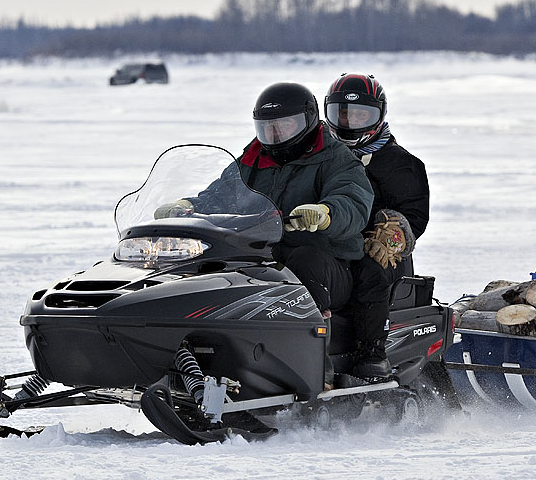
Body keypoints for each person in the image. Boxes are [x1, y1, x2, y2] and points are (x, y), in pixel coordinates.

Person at [155, 82, 374, 325]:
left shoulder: (336, 158)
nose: (276, 135)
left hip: (327, 266)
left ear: (308, 121)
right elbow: (220, 196)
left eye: (285, 126)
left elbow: (352, 201)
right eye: (268, 128)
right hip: (260, 256)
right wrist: (187, 207)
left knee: (305, 260)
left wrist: (324, 213)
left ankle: (310, 339)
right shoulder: (252, 160)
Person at [325, 73, 430, 379]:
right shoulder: (321, 156)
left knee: (370, 270)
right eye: (342, 113)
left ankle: (371, 352)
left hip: (382, 254)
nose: (351, 122)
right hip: (332, 243)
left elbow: (415, 218)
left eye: (361, 115)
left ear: (379, 115)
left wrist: (393, 235)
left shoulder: (401, 163)